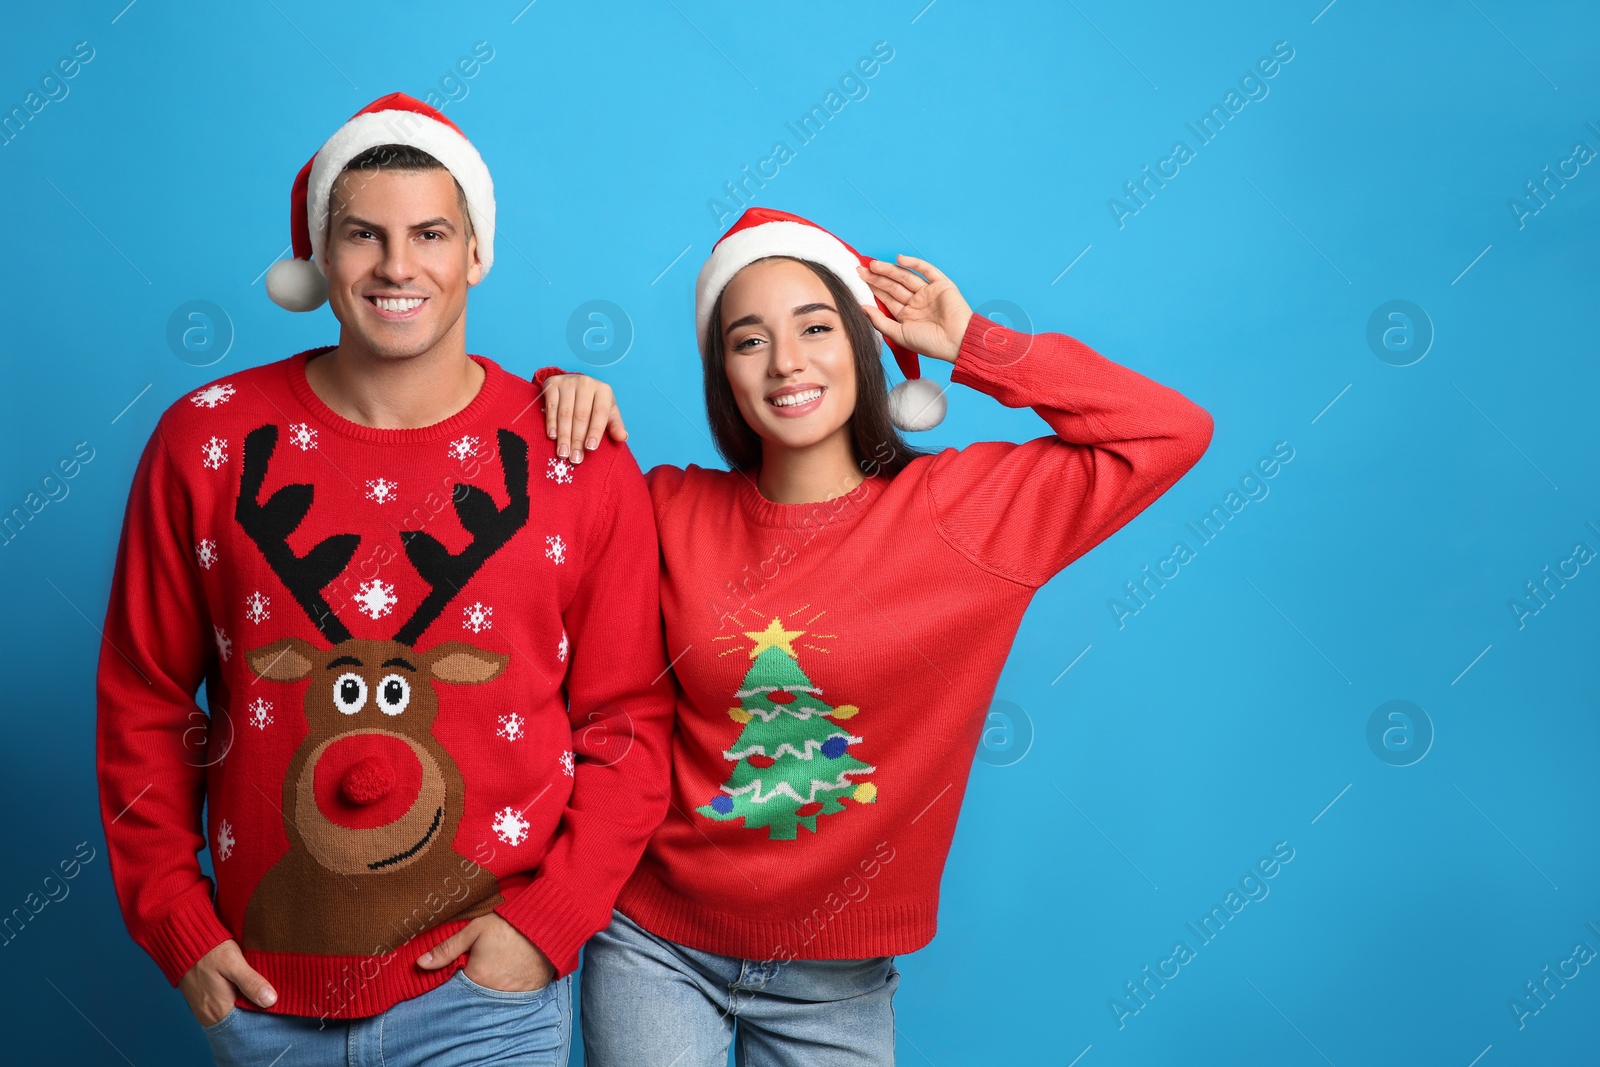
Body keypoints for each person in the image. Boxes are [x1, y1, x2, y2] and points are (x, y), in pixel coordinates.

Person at [534, 206, 1216, 1065]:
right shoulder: (667, 507)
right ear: (724, 375)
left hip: (838, 979)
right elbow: (513, 496)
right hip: (654, 943)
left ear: (861, 345)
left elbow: (1170, 431)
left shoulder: (963, 517)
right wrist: (558, 396)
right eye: (749, 341)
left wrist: (974, 343)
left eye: (816, 328)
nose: (786, 362)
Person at [94, 92, 674, 1067]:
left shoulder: (576, 455)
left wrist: (546, 923)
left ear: (476, 253)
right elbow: (144, 700)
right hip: (264, 993)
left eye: (430, 233)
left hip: (485, 994)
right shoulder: (207, 440)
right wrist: (175, 923)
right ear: (320, 256)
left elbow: (627, 719)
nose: (397, 266)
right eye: (363, 234)